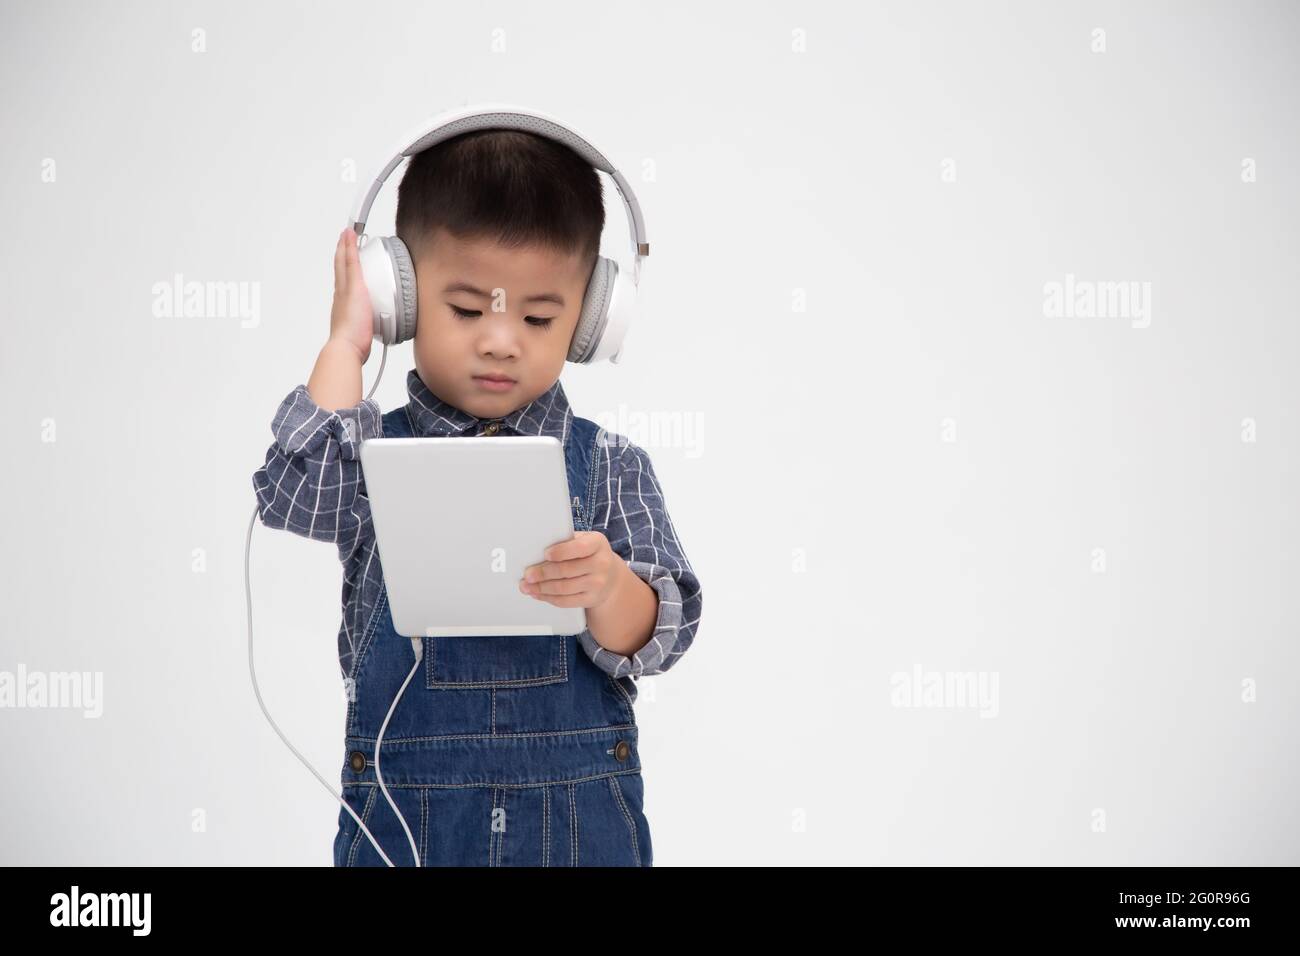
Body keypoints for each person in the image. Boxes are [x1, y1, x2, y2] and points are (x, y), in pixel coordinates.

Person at [250, 128, 702, 866]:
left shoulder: (614, 465)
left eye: (537, 318)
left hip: (579, 822)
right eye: (465, 310)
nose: (500, 341)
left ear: (590, 321)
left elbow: (664, 635)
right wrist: (346, 346)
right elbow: (300, 494)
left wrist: (611, 588)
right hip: (405, 817)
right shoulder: (368, 456)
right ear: (401, 295)